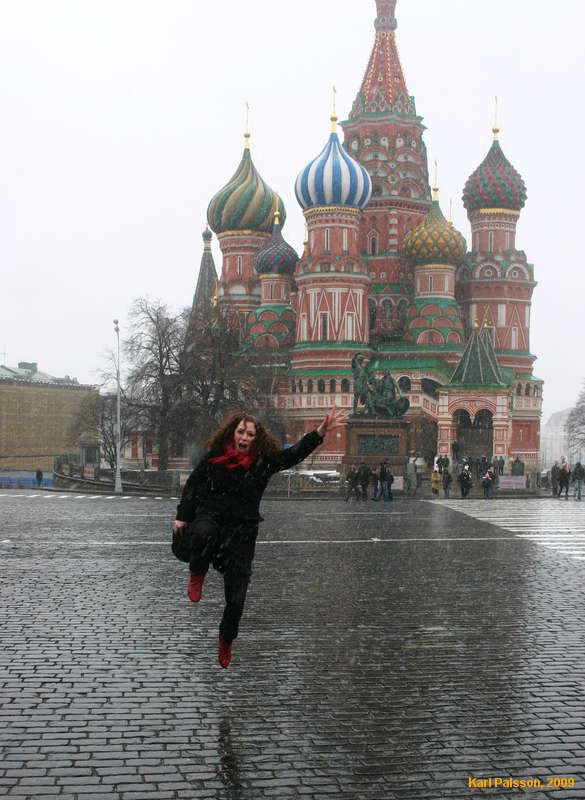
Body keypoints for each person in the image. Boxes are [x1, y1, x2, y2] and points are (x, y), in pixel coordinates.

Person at [173, 406, 346, 669]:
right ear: (232, 434)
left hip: (241, 535)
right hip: (212, 519)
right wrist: (182, 516)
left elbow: (293, 455)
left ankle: (226, 638)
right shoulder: (214, 458)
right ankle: (197, 572)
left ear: (257, 439)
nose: (243, 437)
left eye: (249, 434)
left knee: (237, 600)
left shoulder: (263, 463)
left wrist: (320, 432)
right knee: (202, 533)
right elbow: (192, 486)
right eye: (240, 432)